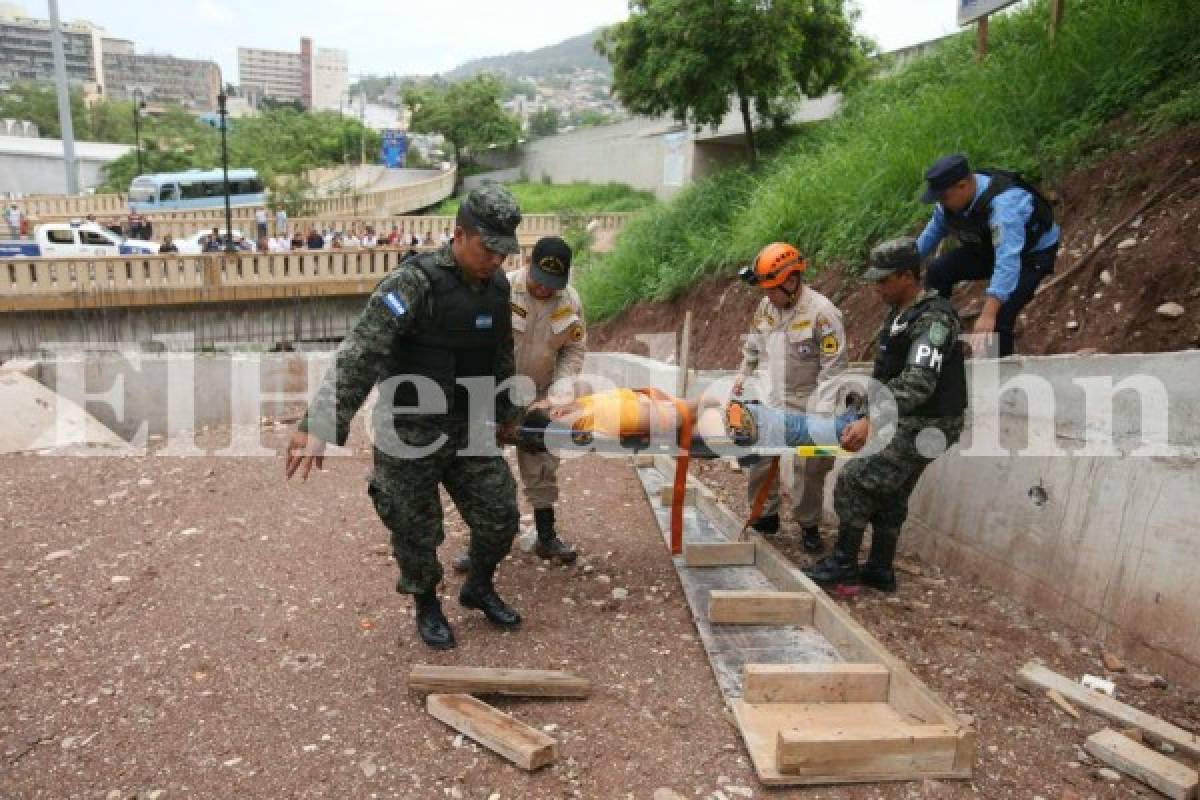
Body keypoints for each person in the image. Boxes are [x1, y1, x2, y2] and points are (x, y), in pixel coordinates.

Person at [285, 185, 525, 651]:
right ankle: (427, 603)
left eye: (504, 250)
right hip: (408, 429)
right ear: (459, 234)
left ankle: (477, 586)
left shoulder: (497, 289)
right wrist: (320, 423)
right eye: (488, 247)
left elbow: (500, 355)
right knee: (415, 529)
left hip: (468, 427)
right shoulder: (413, 283)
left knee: (500, 515)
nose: (497, 259)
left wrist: (507, 413)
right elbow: (362, 350)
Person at [805, 237, 967, 592]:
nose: (876, 287)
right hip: (910, 418)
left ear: (908, 277)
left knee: (855, 479)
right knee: (890, 492)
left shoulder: (934, 318)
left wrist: (871, 419)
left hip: (928, 423)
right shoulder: (900, 315)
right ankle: (879, 570)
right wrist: (861, 408)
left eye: (884, 280)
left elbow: (918, 383)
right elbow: (886, 375)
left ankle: (844, 565)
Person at [453, 236, 586, 573]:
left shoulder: (569, 302)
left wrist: (559, 392)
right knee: (482, 470)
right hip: (490, 394)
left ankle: (546, 536)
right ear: (528, 262)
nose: (544, 290)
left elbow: (573, 349)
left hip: (538, 395)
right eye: (539, 281)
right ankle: (480, 546)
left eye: (552, 285)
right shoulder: (500, 289)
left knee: (542, 463)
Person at [734, 242, 847, 554]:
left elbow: (833, 368)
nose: (768, 296)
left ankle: (808, 525)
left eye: (772, 289)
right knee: (757, 460)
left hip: (810, 402)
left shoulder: (822, 314)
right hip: (772, 398)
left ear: (792, 279)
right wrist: (743, 376)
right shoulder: (767, 309)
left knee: (810, 468)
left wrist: (821, 416)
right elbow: (754, 346)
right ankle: (765, 516)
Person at [917, 153, 1060, 357]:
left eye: (944, 197)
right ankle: (938, 339)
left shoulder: (1005, 207)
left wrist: (988, 313)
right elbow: (930, 235)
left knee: (1000, 317)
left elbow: (1008, 261)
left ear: (963, 186)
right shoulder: (949, 204)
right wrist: (903, 263)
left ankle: (1002, 376)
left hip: (1031, 255)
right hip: (989, 249)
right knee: (938, 272)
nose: (941, 203)